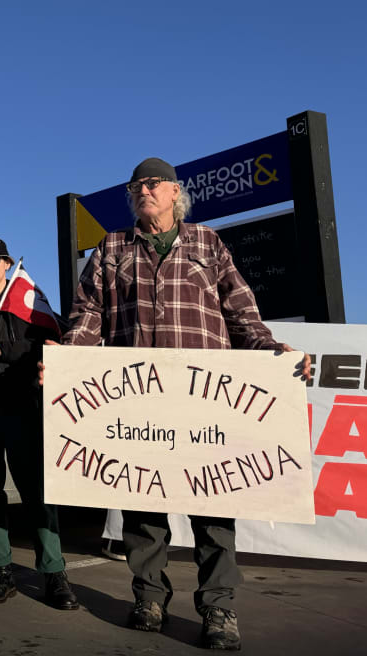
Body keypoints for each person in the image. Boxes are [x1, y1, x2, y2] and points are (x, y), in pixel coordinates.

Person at [53, 157, 312, 651]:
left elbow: (242, 314)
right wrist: (67, 357)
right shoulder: (112, 248)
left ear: (175, 191)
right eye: (136, 186)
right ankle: (149, 597)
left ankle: (219, 607)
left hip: (204, 400)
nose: (142, 191)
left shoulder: (207, 243)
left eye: (151, 184)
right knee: (144, 505)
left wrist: (273, 351)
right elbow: (88, 314)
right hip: (137, 399)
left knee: (214, 506)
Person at [0, 237, 79, 610]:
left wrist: (3, 350)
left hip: (22, 407)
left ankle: (55, 574)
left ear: (7, 264)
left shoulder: (27, 303)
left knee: (36, 492)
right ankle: (0, 570)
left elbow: (52, 346)